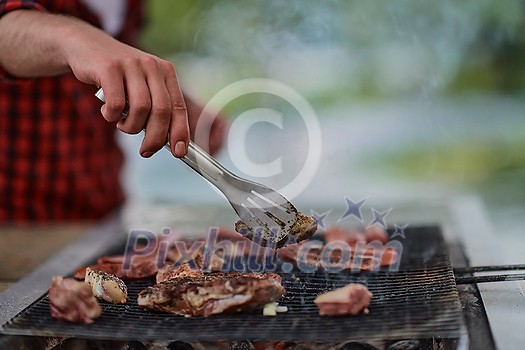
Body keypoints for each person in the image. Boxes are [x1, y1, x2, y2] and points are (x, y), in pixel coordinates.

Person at [0, 0, 226, 222]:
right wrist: (75, 39)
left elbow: (117, 48)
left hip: (102, 212)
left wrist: (169, 98)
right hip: (15, 220)